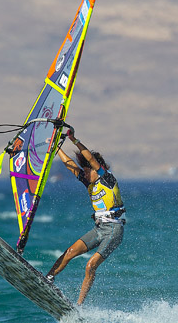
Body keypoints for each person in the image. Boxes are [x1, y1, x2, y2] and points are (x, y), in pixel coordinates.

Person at [45, 125, 125, 306]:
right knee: (69, 252)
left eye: (88, 170)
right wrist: (56, 148)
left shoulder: (107, 178)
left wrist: (74, 140)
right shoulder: (89, 183)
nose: (85, 173)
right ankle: (48, 279)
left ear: (97, 169)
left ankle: (79, 306)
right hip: (99, 228)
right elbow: (70, 165)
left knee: (90, 266)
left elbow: (90, 158)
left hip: (114, 230)